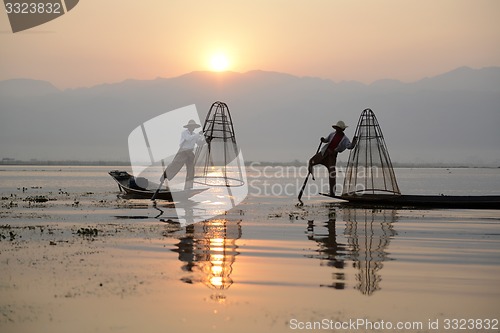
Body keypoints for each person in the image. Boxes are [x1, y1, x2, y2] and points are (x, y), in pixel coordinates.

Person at [308, 120, 357, 196]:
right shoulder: (332, 134)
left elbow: (350, 146)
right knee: (311, 161)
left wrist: (354, 142)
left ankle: (332, 192)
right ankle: (312, 175)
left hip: (332, 157)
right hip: (324, 153)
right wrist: (323, 140)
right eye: (337, 128)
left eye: (339, 128)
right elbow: (326, 140)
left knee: (332, 174)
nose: (337, 130)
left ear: (342, 129)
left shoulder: (345, 139)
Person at [164, 119, 205, 189]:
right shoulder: (184, 133)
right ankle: (164, 178)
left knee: (191, 170)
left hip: (190, 153)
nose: (192, 128)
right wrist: (199, 134)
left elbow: (199, 143)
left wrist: (205, 139)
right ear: (188, 127)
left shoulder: (195, 135)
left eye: (193, 126)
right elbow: (188, 139)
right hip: (183, 151)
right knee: (175, 165)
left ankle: (188, 187)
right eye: (191, 126)